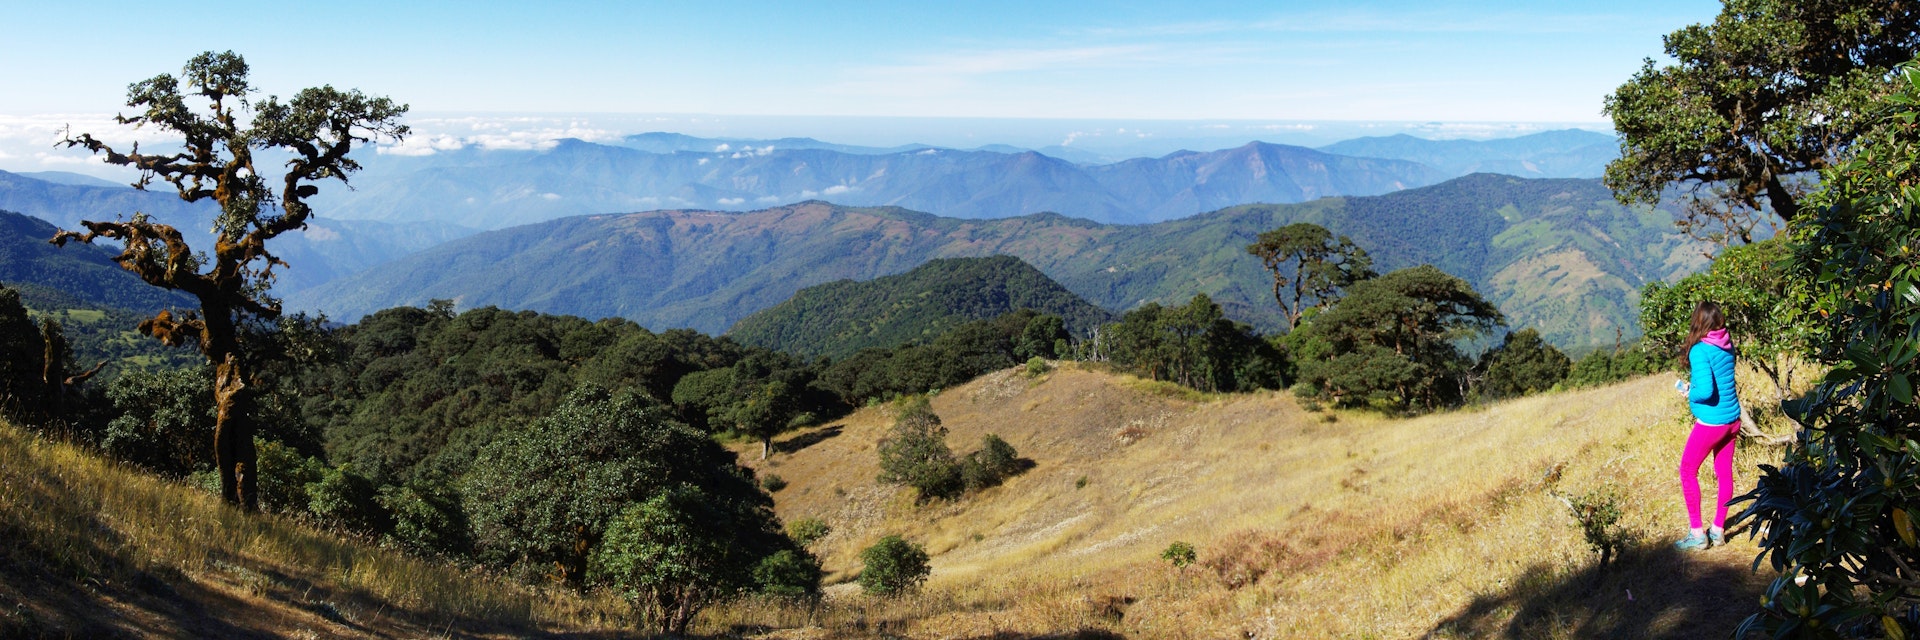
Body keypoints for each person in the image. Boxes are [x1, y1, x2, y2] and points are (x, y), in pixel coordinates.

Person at [1674, 301, 1742, 551]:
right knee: (1724, 474)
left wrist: (1688, 392)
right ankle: (1718, 531)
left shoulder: (1700, 350)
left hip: (1711, 423)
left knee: (1687, 470)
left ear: (1698, 322)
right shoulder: (1726, 343)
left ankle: (1697, 535)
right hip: (1733, 420)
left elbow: (1706, 390)